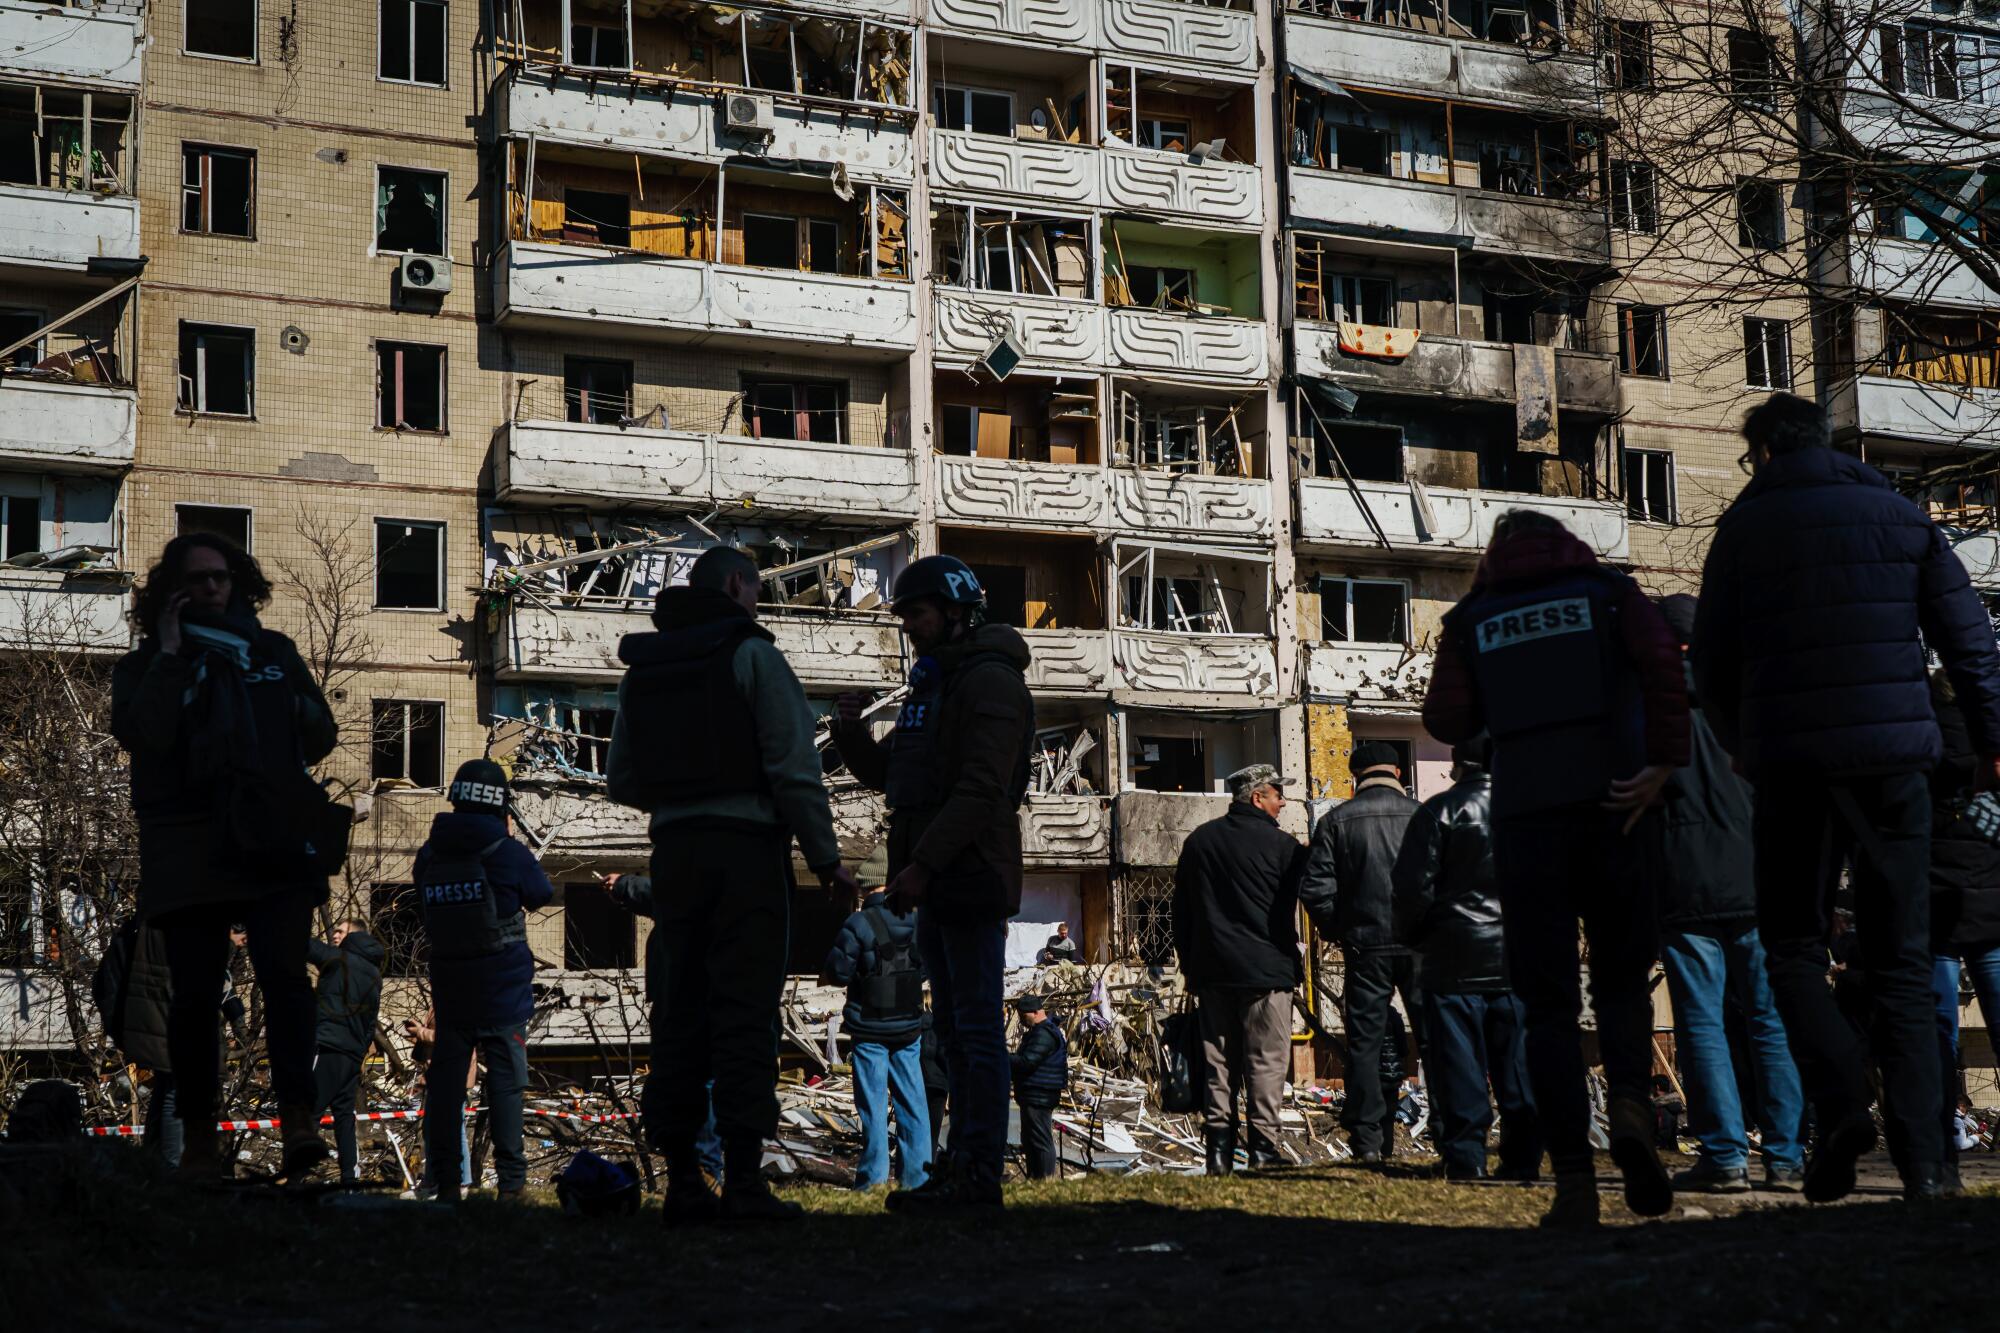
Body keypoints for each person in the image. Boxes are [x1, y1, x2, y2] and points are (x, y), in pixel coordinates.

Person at [1694, 392, 2000, 1203]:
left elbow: (1712, 666)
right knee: (1903, 961)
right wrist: (1991, 742)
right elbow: (1971, 640)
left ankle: (1841, 1103)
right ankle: (1927, 1165)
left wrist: (1741, 744)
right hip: (1897, 764)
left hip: (1792, 767)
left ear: (1762, 451)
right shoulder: (1898, 516)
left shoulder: (1742, 529)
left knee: (1792, 945)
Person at [1424, 509, 1689, 1227]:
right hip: (1617, 807)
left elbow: (1445, 719)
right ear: (1566, 542)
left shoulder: (1473, 616)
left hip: (1526, 817)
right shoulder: (1610, 595)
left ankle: (1573, 1178)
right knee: (1622, 981)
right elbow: (1666, 663)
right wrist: (1664, 762)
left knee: (1546, 1006)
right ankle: (1632, 1103)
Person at [607, 545, 856, 1224]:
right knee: (744, 1011)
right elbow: (795, 770)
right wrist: (827, 859)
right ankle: (744, 1181)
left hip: (675, 856)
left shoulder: (645, 669)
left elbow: (622, 779)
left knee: (679, 1014)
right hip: (747, 856)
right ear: (742, 585)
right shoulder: (754, 655)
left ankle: (684, 1181)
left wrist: (683, 790)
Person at [111, 532, 339, 1182]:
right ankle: (202, 1143)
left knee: (287, 978)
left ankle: (300, 1120)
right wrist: (174, 655)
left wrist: (289, 704)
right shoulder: (147, 662)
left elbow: (320, 735)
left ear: (237, 583)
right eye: (197, 579)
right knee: (196, 995)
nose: (212, 587)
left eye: (221, 577)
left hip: (273, 837)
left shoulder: (271, 651)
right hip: (189, 843)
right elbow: (143, 734)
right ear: (171, 592)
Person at [830, 554, 1036, 1213]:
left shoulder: (991, 683)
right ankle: (955, 1167)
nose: (909, 628)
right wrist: (850, 734)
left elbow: (981, 792)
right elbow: (899, 775)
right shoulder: (936, 684)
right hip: (937, 881)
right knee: (948, 1028)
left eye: (916, 614)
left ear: (954, 611)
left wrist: (923, 865)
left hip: (970, 876)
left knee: (974, 1029)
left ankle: (980, 1175)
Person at [1647, 594, 1805, 1195]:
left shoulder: (1646, 714)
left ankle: (1725, 1156)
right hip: (1759, 882)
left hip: (1684, 885)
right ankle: (1787, 1158)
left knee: (1702, 1025)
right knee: (1771, 1022)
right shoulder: (1749, 705)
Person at [1390, 735, 1540, 1183]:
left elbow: (1412, 889)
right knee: (1516, 1064)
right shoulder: (1525, 812)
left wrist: (1418, 938)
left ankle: (1467, 1156)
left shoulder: (1438, 811)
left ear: (1459, 764)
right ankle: (1522, 1157)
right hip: (1515, 956)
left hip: (1453, 958)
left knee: (1459, 1064)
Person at [413, 759, 554, 1202]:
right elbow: (542, 894)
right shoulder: (506, 851)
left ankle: (448, 1183)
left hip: (451, 984)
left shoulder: (430, 854)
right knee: (506, 1085)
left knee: (447, 1084)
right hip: (503, 987)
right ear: (500, 806)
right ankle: (511, 1186)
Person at [1171, 764, 1307, 1175]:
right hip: (1268, 973)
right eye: (1277, 794)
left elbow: (1181, 913)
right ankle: (1263, 1149)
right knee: (1266, 1061)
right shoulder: (1286, 848)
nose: (1282, 802)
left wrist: (1192, 964)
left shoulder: (1199, 842)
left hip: (1213, 972)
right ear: (1257, 798)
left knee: (1219, 1062)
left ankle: (1218, 1154)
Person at [1299, 741, 1423, 1165]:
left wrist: (1342, 928)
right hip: (1420, 943)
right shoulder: (1422, 816)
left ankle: (1369, 1143)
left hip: (1365, 945)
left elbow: (1315, 890)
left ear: (1356, 776)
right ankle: (1455, 1138)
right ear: (1398, 773)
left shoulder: (1337, 820)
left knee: (1366, 1043)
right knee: (1437, 1038)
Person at [1924, 668, 2000, 1195]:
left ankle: (1943, 1131)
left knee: (1937, 1033)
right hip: (1993, 912)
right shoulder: (1990, 756)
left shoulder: (1920, 752)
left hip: (1935, 913)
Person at [93, 916, 247, 1169]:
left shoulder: (160, 922)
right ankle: (171, 1165)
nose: (241, 946)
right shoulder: (189, 931)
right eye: (242, 939)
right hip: (170, 1022)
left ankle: (158, 1162)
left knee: (170, 1087)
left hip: (157, 1022)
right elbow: (209, 982)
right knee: (179, 1090)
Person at [602, 872, 725, 1188]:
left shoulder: (700, 873)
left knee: (683, 1079)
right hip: (703, 990)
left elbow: (671, 897)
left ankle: (696, 1169)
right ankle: (699, 1168)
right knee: (699, 1080)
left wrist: (625, 886)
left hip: (685, 992)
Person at [820, 854, 932, 1193]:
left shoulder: (858, 923)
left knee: (872, 1107)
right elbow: (927, 968)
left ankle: (872, 1180)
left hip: (868, 1031)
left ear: (866, 886)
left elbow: (838, 973)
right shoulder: (917, 921)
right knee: (914, 1104)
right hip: (909, 1029)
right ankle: (918, 1178)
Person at [309, 918, 384, 1186]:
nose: (334, 935)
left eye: (340, 931)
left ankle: (293, 1175)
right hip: (352, 1055)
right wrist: (360, 1051)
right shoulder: (375, 974)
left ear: (354, 935)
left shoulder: (337, 959)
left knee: (310, 1110)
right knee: (344, 1117)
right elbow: (371, 1023)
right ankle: (349, 1178)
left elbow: (303, 946)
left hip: (328, 1046)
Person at [1009, 995, 1066, 1180]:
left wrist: (1002, 1056)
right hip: (1034, 1094)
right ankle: (1035, 1179)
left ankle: (1045, 1180)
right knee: (1030, 1139)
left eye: (1022, 1015)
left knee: (1040, 1140)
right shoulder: (1041, 1032)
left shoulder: (1043, 1034)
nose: (1021, 1019)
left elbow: (1028, 1062)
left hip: (1039, 1094)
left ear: (1034, 1012)